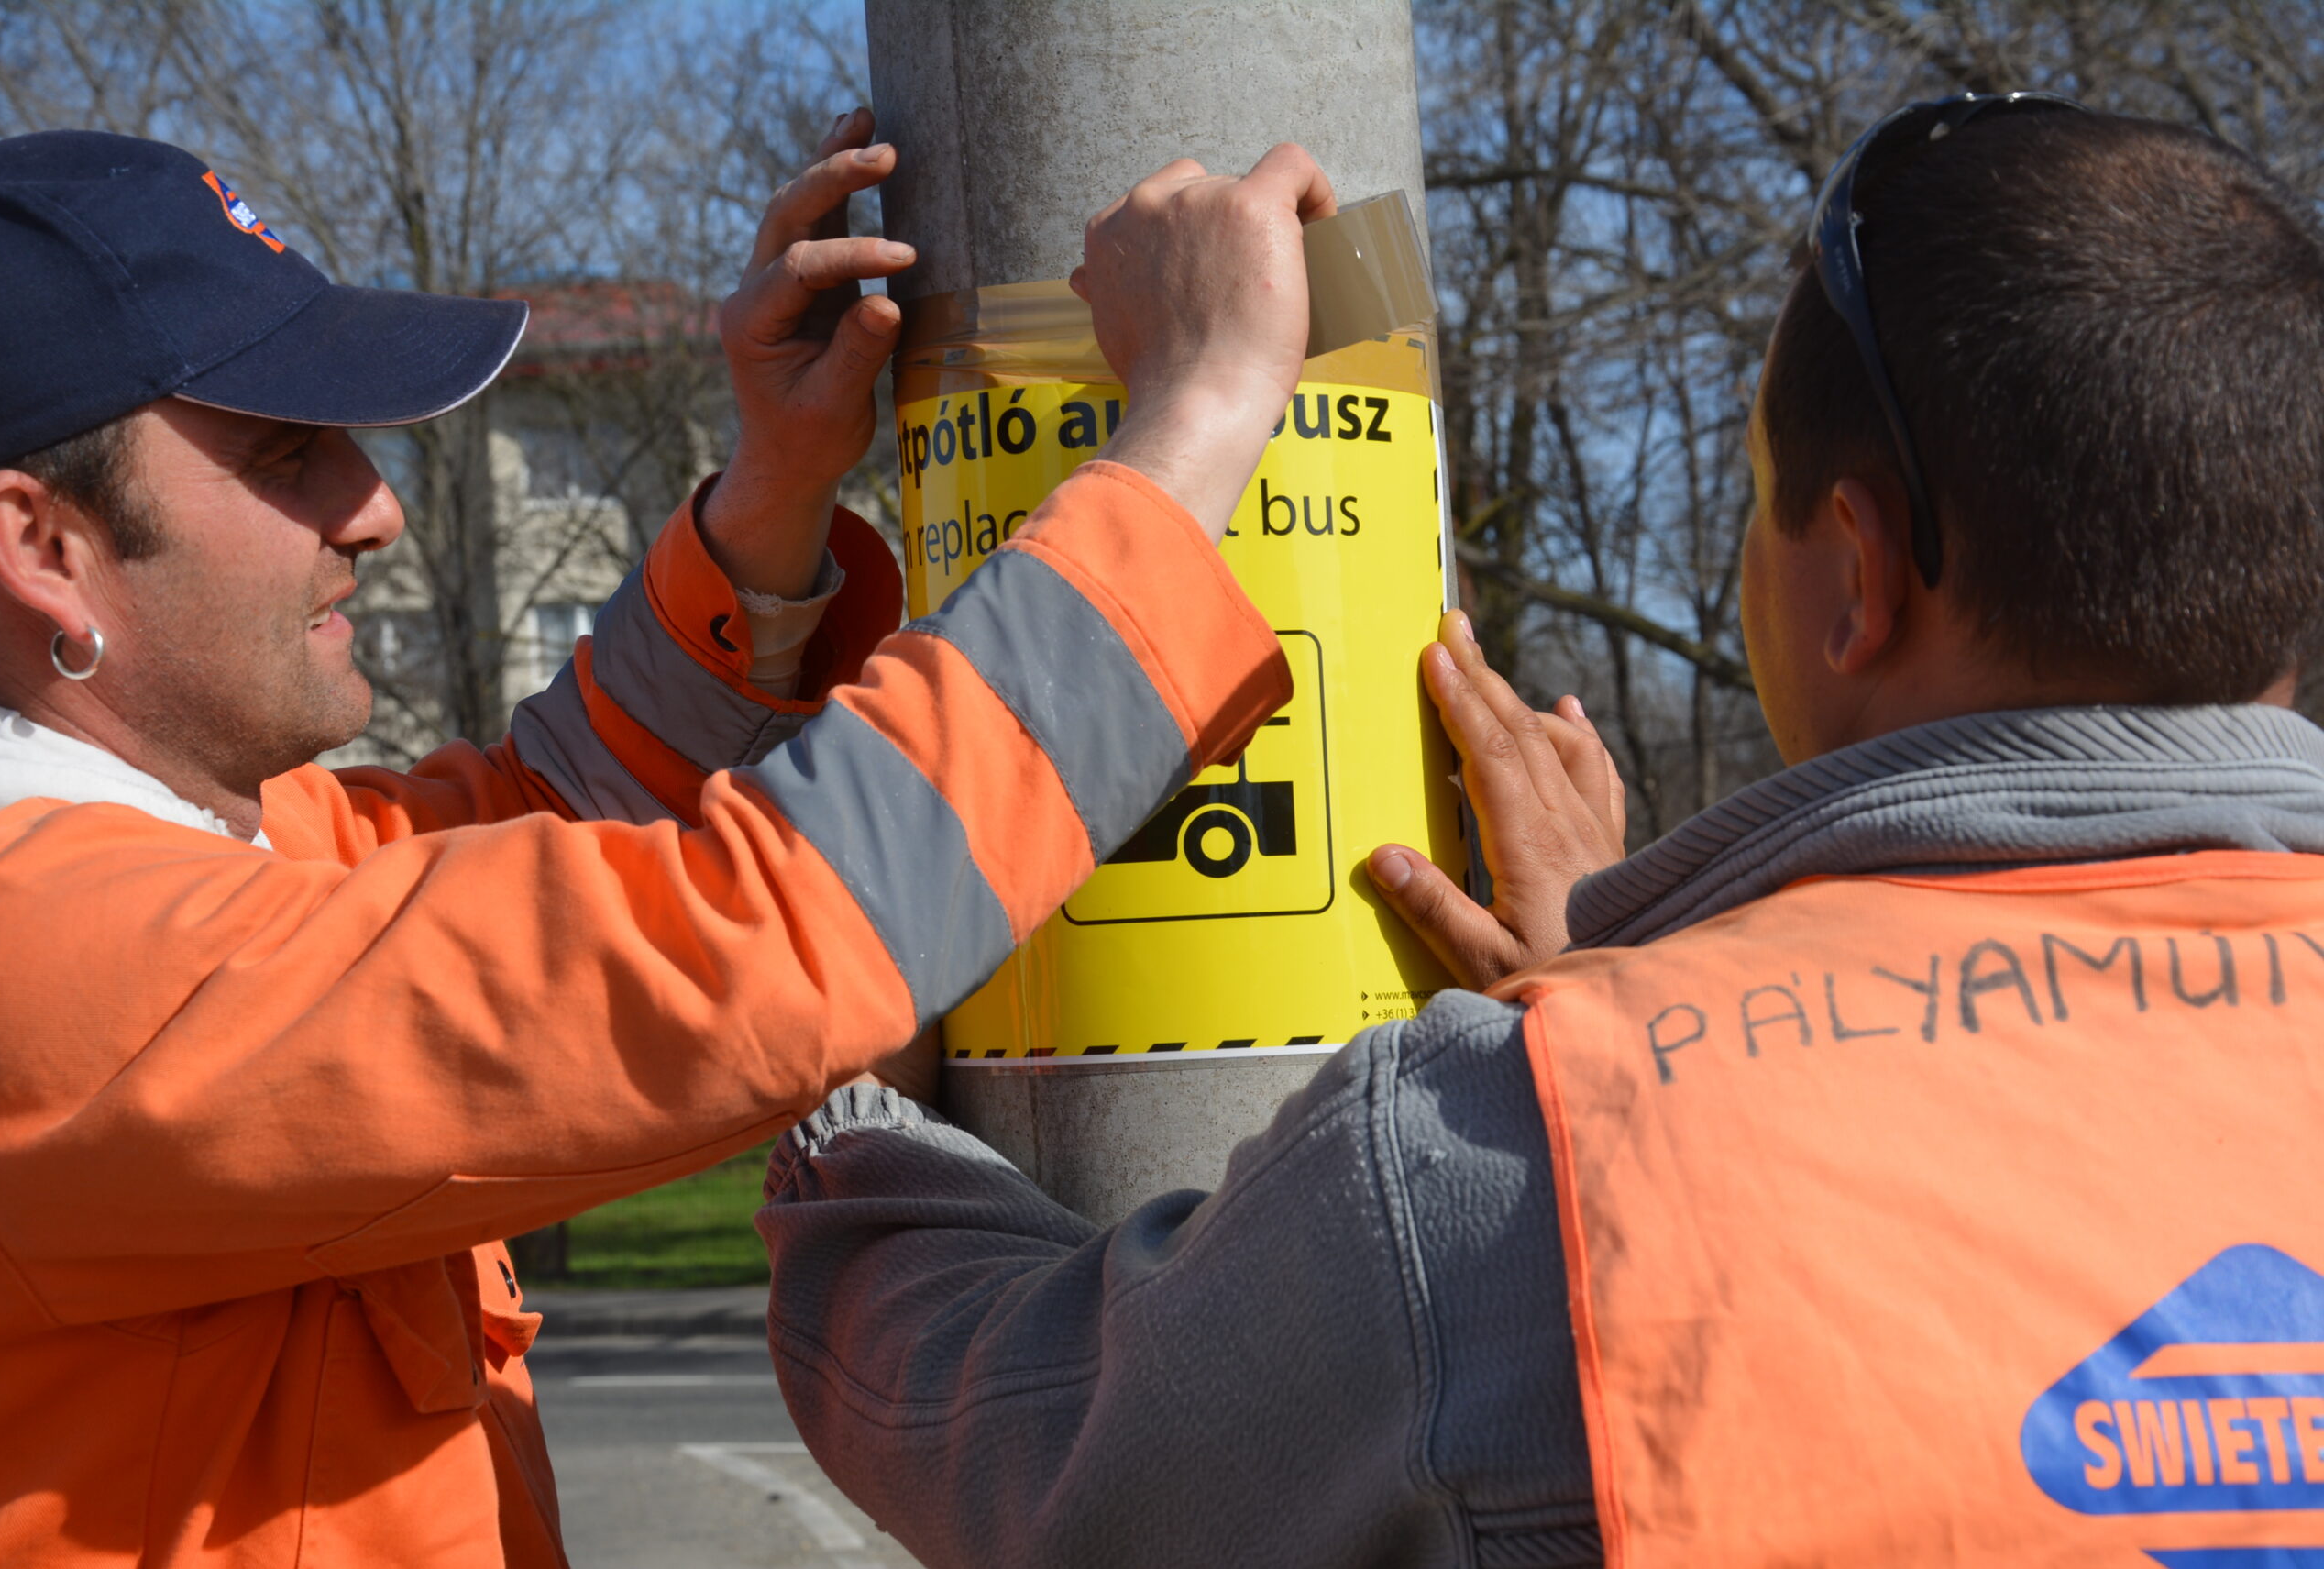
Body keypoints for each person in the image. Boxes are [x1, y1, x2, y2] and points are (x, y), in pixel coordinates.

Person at [756, 98, 2324, 1566]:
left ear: (1858, 572)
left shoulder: (1524, 1156)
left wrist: (857, 1117)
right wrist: (1628, 970)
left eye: (1755, 491)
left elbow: (1035, 1447)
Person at [0, 118, 1338, 1566]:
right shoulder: (51, 966)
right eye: (287, 454)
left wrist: (775, 488)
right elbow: (742, 940)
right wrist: (1202, 409)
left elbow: (553, 810)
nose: (371, 509)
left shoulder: (225, 855)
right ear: (43, 546)